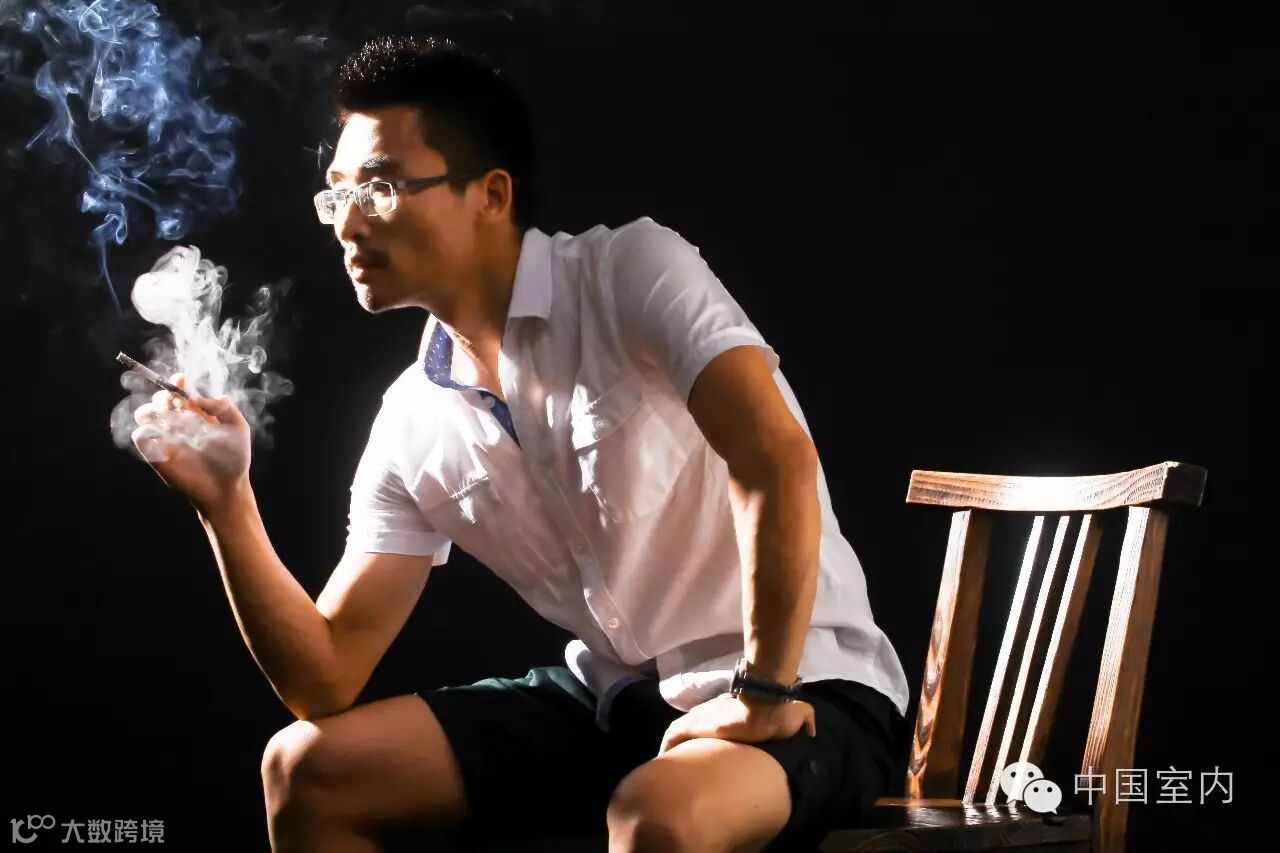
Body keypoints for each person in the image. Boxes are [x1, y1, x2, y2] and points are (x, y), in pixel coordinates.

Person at [131, 34, 911, 853]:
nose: (349, 222)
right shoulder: (410, 420)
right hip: (620, 701)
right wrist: (227, 504)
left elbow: (773, 456)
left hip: (802, 688)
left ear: (490, 195)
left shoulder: (630, 272)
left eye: (381, 187)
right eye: (337, 195)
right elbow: (325, 674)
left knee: (656, 814)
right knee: (306, 768)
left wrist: (762, 691)